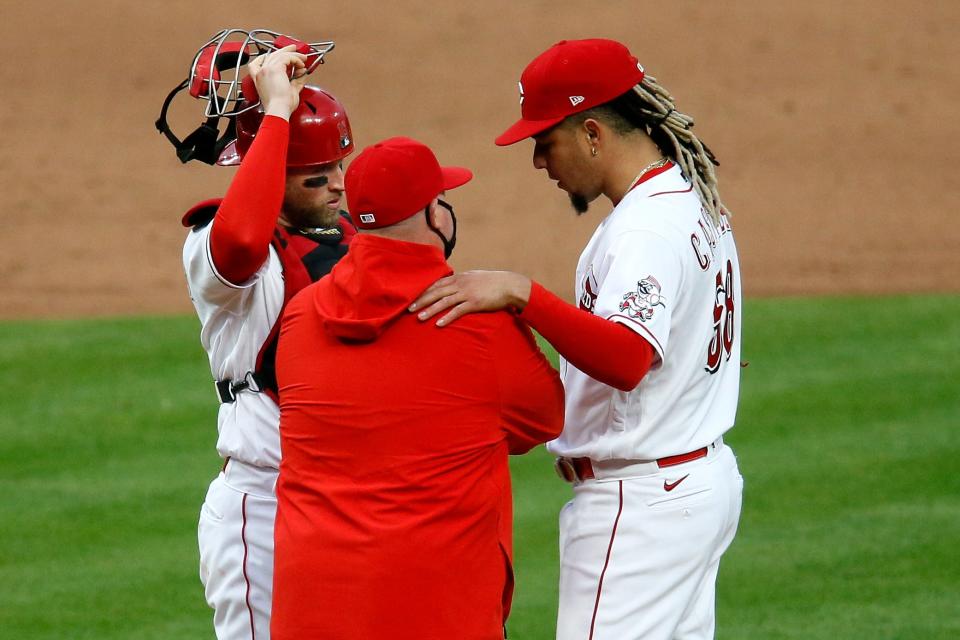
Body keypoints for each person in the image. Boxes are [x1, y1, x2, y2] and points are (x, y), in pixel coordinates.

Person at [410, 39, 744, 640]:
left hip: (641, 505)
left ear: (593, 132)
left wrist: (523, 294)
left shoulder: (645, 227)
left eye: (546, 141)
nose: (540, 161)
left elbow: (627, 357)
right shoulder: (690, 197)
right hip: (691, 484)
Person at [271, 136, 565, 640]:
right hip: (437, 609)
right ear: (435, 215)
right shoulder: (479, 324)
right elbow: (544, 420)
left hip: (311, 607)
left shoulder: (299, 314)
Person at [179, 46, 356, 639]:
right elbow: (242, 241)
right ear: (270, 168)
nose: (336, 186)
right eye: (316, 176)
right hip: (265, 503)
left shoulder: (356, 240)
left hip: (352, 502)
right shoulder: (216, 245)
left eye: (339, 168)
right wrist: (276, 111)